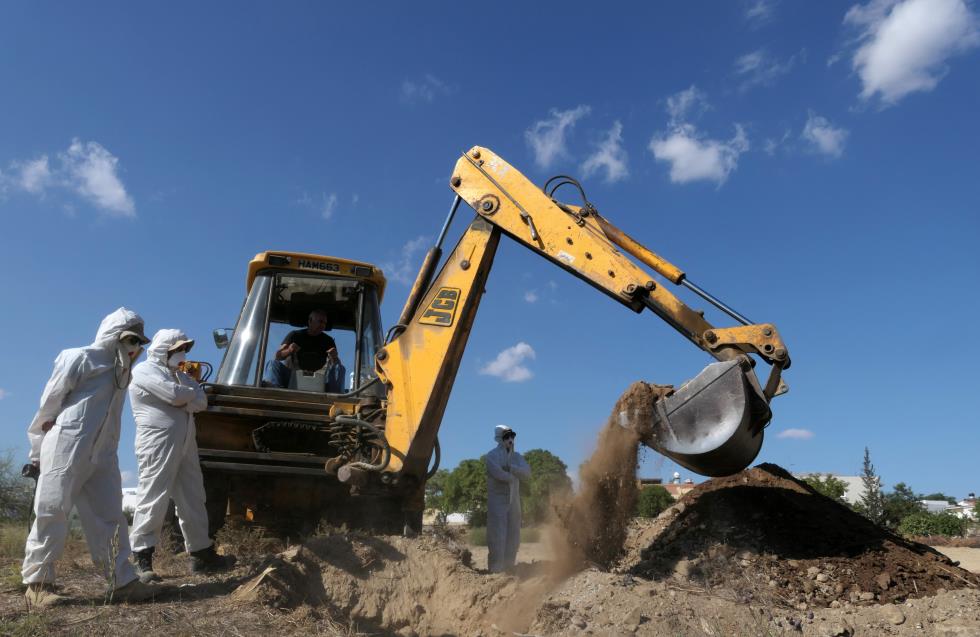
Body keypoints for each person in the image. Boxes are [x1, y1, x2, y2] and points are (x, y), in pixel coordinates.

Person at [22, 308, 157, 609]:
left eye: (138, 341)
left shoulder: (123, 372)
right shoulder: (78, 357)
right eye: (130, 338)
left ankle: (122, 582)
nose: (135, 346)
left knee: (111, 516)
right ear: (113, 335)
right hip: (66, 445)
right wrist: (36, 452)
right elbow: (49, 405)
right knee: (52, 510)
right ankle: (38, 584)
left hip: (104, 453)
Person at [128, 329, 236, 583]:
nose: (183, 354)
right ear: (164, 349)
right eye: (178, 349)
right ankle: (141, 558)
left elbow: (201, 401)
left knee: (193, 496)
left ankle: (201, 554)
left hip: (186, 442)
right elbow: (175, 395)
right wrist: (188, 395)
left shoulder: (180, 375)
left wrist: (188, 395)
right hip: (157, 442)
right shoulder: (144, 371)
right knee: (153, 496)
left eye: (184, 349)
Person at [262, 308, 346, 392]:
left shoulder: (329, 341)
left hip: (320, 380)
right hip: (293, 378)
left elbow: (337, 365)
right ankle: (274, 392)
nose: (323, 325)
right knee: (272, 364)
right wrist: (289, 350)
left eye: (324, 323)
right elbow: (278, 356)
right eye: (320, 322)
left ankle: (335, 397)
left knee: (339, 368)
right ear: (310, 321)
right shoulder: (294, 335)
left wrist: (334, 357)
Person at [485, 425, 531, 573]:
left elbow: (527, 473)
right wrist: (512, 476)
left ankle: (509, 565)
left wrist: (512, 468)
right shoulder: (491, 456)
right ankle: (496, 568)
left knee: (514, 532)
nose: (511, 440)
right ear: (500, 439)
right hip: (497, 501)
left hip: (514, 499)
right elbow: (498, 473)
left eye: (512, 436)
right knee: (498, 533)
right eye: (507, 437)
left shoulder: (517, 457)